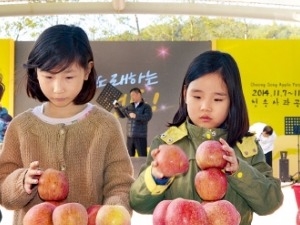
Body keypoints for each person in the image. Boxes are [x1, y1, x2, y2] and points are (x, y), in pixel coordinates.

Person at [0, 24, 134, 225]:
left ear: (87, 70)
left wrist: (112, 214)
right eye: (49, 76)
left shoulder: (105, 125)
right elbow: (3, 191)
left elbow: (120, 186)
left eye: (69, 76)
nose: (58, 88)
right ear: (35, 72)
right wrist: (22, 182)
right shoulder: (20, 126)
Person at [129, 50, 283, 225]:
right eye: (197, 96)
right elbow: (138, 203)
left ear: (232, 100)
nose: (205, 107)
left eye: (217, 99)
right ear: (184, 93)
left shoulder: (246, 147)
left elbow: (270, 203)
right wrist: (157, 176)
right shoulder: (167, 145)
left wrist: (239, 170)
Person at [114, 87, 152, 157]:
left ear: (139, 94)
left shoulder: (146, 106)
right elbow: (122, 115)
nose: (132, 97)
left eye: (133, 95)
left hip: (140, 137)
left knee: (142, 158)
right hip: (130, 137)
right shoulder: (129, 106)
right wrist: (117, 108)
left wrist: (136, 116)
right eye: (131, 95)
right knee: (129, 158)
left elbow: (147, 117)